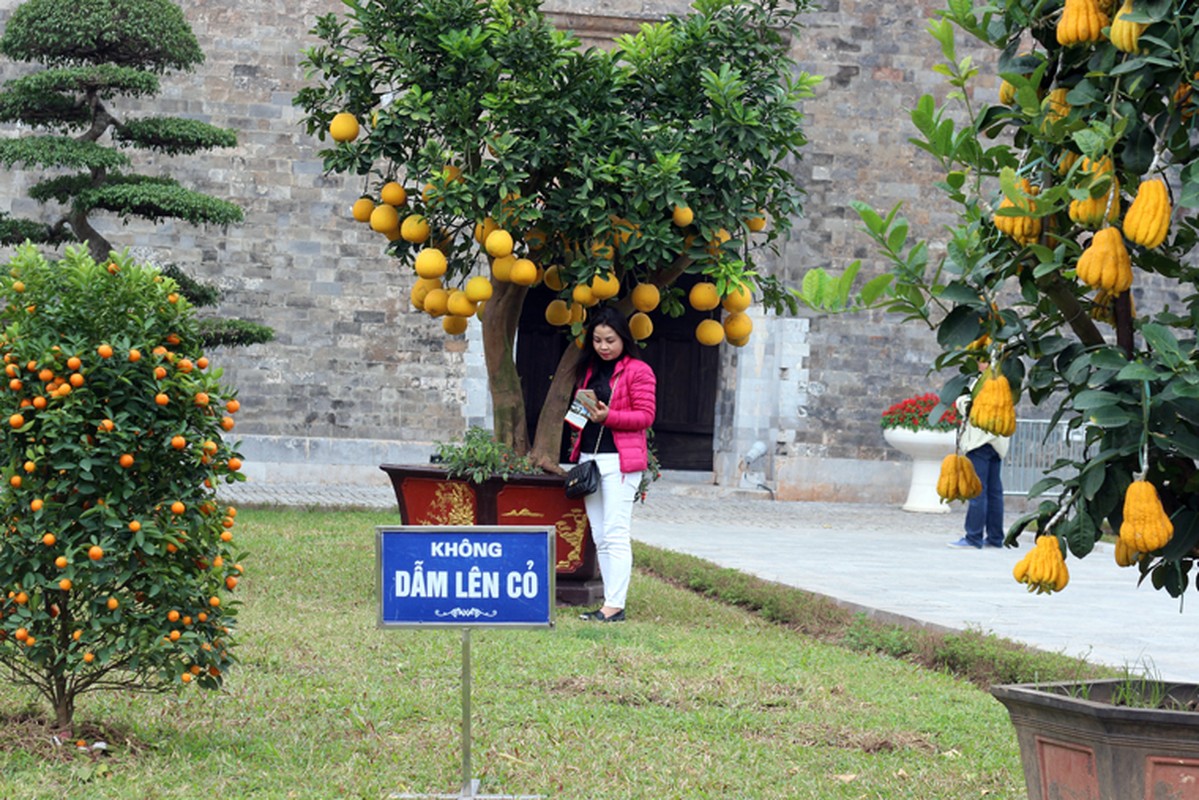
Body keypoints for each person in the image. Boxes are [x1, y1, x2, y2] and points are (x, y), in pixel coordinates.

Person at [568, 306, 657, 622]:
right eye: (597, 340)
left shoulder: (638, 371)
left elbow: (646, 416)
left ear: (623, 339)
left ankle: (614, 606)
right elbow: (579, 416)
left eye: (610, 340)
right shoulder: (589, 371)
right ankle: (610, 600)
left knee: (616, 532)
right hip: (589, 459)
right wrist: (576, 424)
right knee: (599, 535)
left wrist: (610, 417)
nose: (603, 347)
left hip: (621, 460)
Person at [949, 367, 1011, 550]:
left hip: (979, 441)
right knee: (994, 493)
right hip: (997, 442)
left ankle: (973, 537)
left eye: (982, 360)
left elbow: (969, 406)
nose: (978, 364)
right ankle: (995, 537)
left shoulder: (984, 382)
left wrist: (960, 399)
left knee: (978, 491)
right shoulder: (1006, 382)